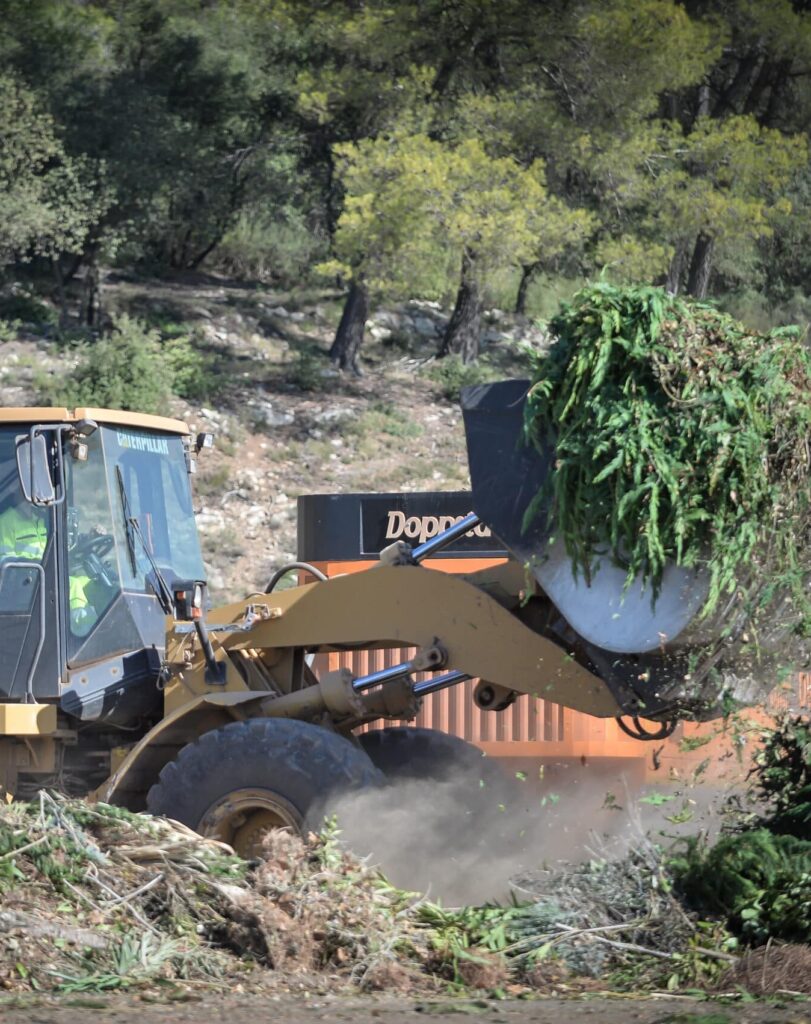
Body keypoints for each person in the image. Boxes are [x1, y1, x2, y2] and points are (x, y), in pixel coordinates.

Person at [0, 500, 96, 635]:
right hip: (25, 584)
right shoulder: (5, 522)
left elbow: (63, 545)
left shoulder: (43, 520)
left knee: (91, 582)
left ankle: (102, 630)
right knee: (73, 585)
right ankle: (83, 634)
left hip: (48, 576)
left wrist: (89, 538)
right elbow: (5, 561)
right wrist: (42, 565)